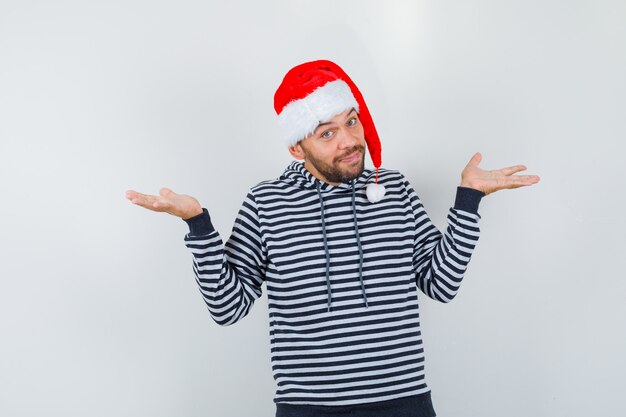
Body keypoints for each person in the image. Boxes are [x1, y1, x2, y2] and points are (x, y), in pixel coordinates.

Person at [125, 59, 540, 417]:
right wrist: (199, 225)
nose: (349, 141)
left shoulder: (393, 190)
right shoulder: (266, 203)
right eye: (326, 133)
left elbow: (441, 283)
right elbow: (227, 308)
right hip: (308, 409)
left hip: (405, 404)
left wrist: (468, 201)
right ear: (296, 148)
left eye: (351, 122)